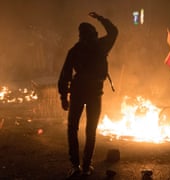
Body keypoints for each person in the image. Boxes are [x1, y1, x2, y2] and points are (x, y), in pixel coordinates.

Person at [58, 12, 118, 178]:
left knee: (73, 129)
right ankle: (84, 167)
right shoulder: (100, 45)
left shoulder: (75, 49)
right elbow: (114, 31)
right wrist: (101, 18)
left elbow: (65, 74)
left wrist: (63, 96)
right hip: (93, 94)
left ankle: (76, 165)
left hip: (79, 93)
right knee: (90, 130)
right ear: (94, 34)